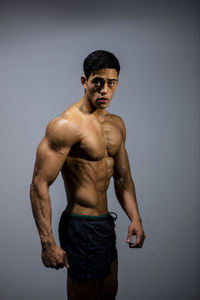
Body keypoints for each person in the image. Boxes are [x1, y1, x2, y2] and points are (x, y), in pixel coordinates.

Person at [30, 50, 146, 300]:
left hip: (105, 224)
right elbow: (39, 184)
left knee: (108, 292)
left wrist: (135, 218)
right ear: (84, 81)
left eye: (111, 83)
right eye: (98, 82)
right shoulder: (66, 126)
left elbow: (123, 178)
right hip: (80, 226)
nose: (105, 90)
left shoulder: (116, 125)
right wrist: (47, 243)